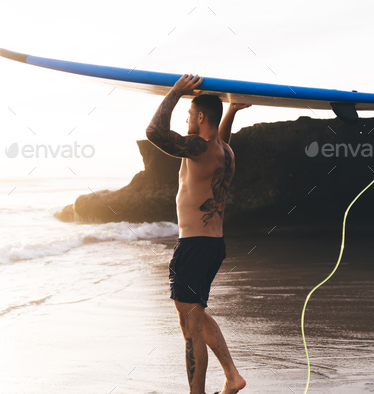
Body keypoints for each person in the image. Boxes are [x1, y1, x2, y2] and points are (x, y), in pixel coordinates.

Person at [146, 74, 250, 394]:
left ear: (201, 117)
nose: (187, 120)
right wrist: (230, 111)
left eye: (189, 115)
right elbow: (220, 138)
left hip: (193, 247)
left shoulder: (198, 148)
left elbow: (154, 132)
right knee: (196, 315)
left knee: (190, 328)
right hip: (213, 245)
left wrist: (177, 91)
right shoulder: (225, 153)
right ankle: (232, 377)